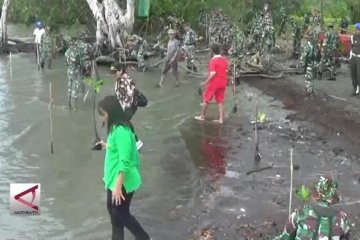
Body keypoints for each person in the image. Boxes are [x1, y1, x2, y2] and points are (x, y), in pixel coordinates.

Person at [96, 95, 151, 240]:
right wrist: (105, 146)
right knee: (114, 214)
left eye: (103, 114)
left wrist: (118, 186)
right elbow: (117, 148)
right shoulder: (115, 127)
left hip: (122, 182)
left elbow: (125, 160)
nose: (102, 118)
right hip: (113, 179)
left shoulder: (122, 131)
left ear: (112, 112)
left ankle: (144, 237)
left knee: (121, 213)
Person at [273, 175, 350, 240]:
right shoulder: (343, 218)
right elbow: (345, 237)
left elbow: (285, 237)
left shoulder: (301, 213)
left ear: (316, 195)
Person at [112, 62, 148, 150]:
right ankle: (131, 141)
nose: (114, 74)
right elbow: (118, 94)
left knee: (122, 120)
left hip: (130, 105)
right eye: (113, 72)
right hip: (128, 104)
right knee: (121, 121)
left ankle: (135, 142)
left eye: (115, 72)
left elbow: (128, 97)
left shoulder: (124, 81)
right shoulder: (120, 80)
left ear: (120, 71)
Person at [195, 43, 228, 124]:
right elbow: (226, 71)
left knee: (206, 99)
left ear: (212, 51)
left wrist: (205, 82)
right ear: (219, 50)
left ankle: (202, 116)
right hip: (223, 82)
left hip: (214, 83)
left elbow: (213, 73)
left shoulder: (213, 60)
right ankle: (221, 119)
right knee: (220, 101)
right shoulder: (224, 60)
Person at [299, 30, 321, 98]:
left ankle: (309, 93)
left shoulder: (308, 45)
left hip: (309, 64)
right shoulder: (317, 44)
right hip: (316, 64)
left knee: (308, 79)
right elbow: (320, 54)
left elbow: (304, 55)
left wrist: (301, 63)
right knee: (312, 78)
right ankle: (311, 90)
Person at [65, 38, 82, 110]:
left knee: (69, 88)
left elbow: (66, 63)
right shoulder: (77, 52)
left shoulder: (66, 52)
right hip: (76, 72)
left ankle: (69, 105)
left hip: (69, 71)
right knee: (75, 89)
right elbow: (80, 63)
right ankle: (75, 108)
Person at [350, 22, 360, 96]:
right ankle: (355, 89)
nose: (356, 30)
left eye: (357, 29)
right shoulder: (353, 36)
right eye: (355, 28)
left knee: (359, 75)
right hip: (353, 57)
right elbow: (352, 46)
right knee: (353, 74)